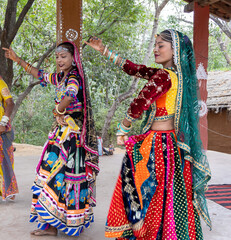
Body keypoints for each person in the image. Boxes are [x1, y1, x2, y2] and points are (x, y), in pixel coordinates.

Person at [85, 29, 211, 239]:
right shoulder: (175, 76)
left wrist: (123, 127)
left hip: (156, 144)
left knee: (141, 187)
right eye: (155, 45)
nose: (155, 49)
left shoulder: (163, 76)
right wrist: (104, 51)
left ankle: (143, 232)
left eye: (161, 45)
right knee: (169, 194)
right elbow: (136, 69)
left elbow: (141, 101)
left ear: (175, 49)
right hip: (172, 144)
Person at [3, 42, 99, 236]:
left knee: (60, 177)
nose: (59, 61)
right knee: (50, 176)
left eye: (63, 56)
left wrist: (58, 109)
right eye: (57, 57)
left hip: (70, 138)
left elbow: (71, 95)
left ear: (73, 58)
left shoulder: (74, 77)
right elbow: (39, 74)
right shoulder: (60, 77)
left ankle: (59, 223)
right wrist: (17, 59)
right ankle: (51, 224)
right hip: (59, 134)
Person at [0, 76, 19, 201]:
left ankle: (6, 190)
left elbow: (10, 102)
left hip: (1, 129)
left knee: (5, 161)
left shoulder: (0, 83)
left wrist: (3, 122)